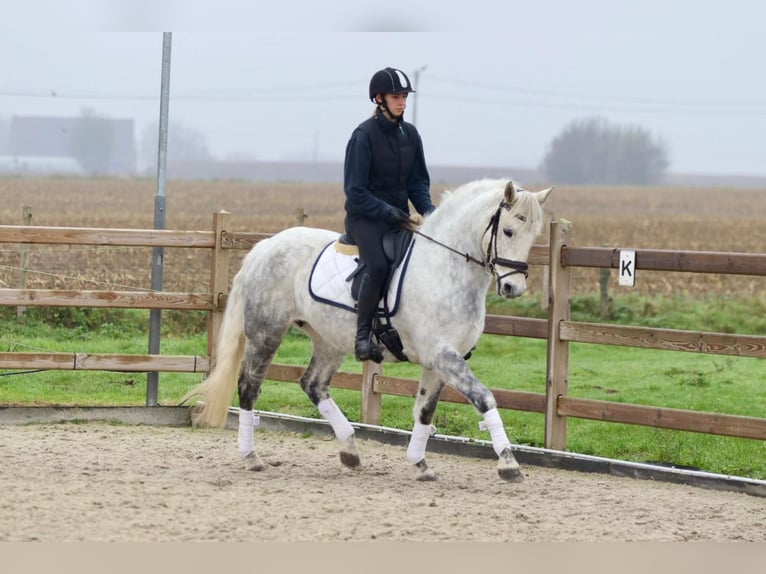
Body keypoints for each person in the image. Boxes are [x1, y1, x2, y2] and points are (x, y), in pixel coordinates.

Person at [343, 67, 436, 363]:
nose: (402, 102)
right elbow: (355, 191)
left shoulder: (410, 134)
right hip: (365, 220)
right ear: (379, 98)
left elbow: (417, 183)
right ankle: (362, 337)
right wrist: (388, 211)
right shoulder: (363, 136)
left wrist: (430, 212)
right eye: (397, 97)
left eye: (405, 97)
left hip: (400, 219)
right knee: (380, 266)